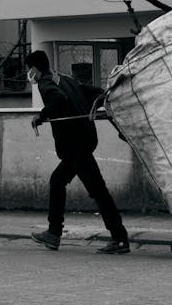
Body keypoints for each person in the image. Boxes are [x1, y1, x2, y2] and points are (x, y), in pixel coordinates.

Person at [25, 50, 130, 254]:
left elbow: (58, 101)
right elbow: (92, 92)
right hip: (86, 140)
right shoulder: (64, 78)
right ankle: (54, 234)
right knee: (58, 181)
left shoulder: (46, 84)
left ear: (34, 69)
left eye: (28, 70)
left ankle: (119, 238)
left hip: (74, 146)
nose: (29, 74)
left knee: (97, 190)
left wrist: (42, 116)